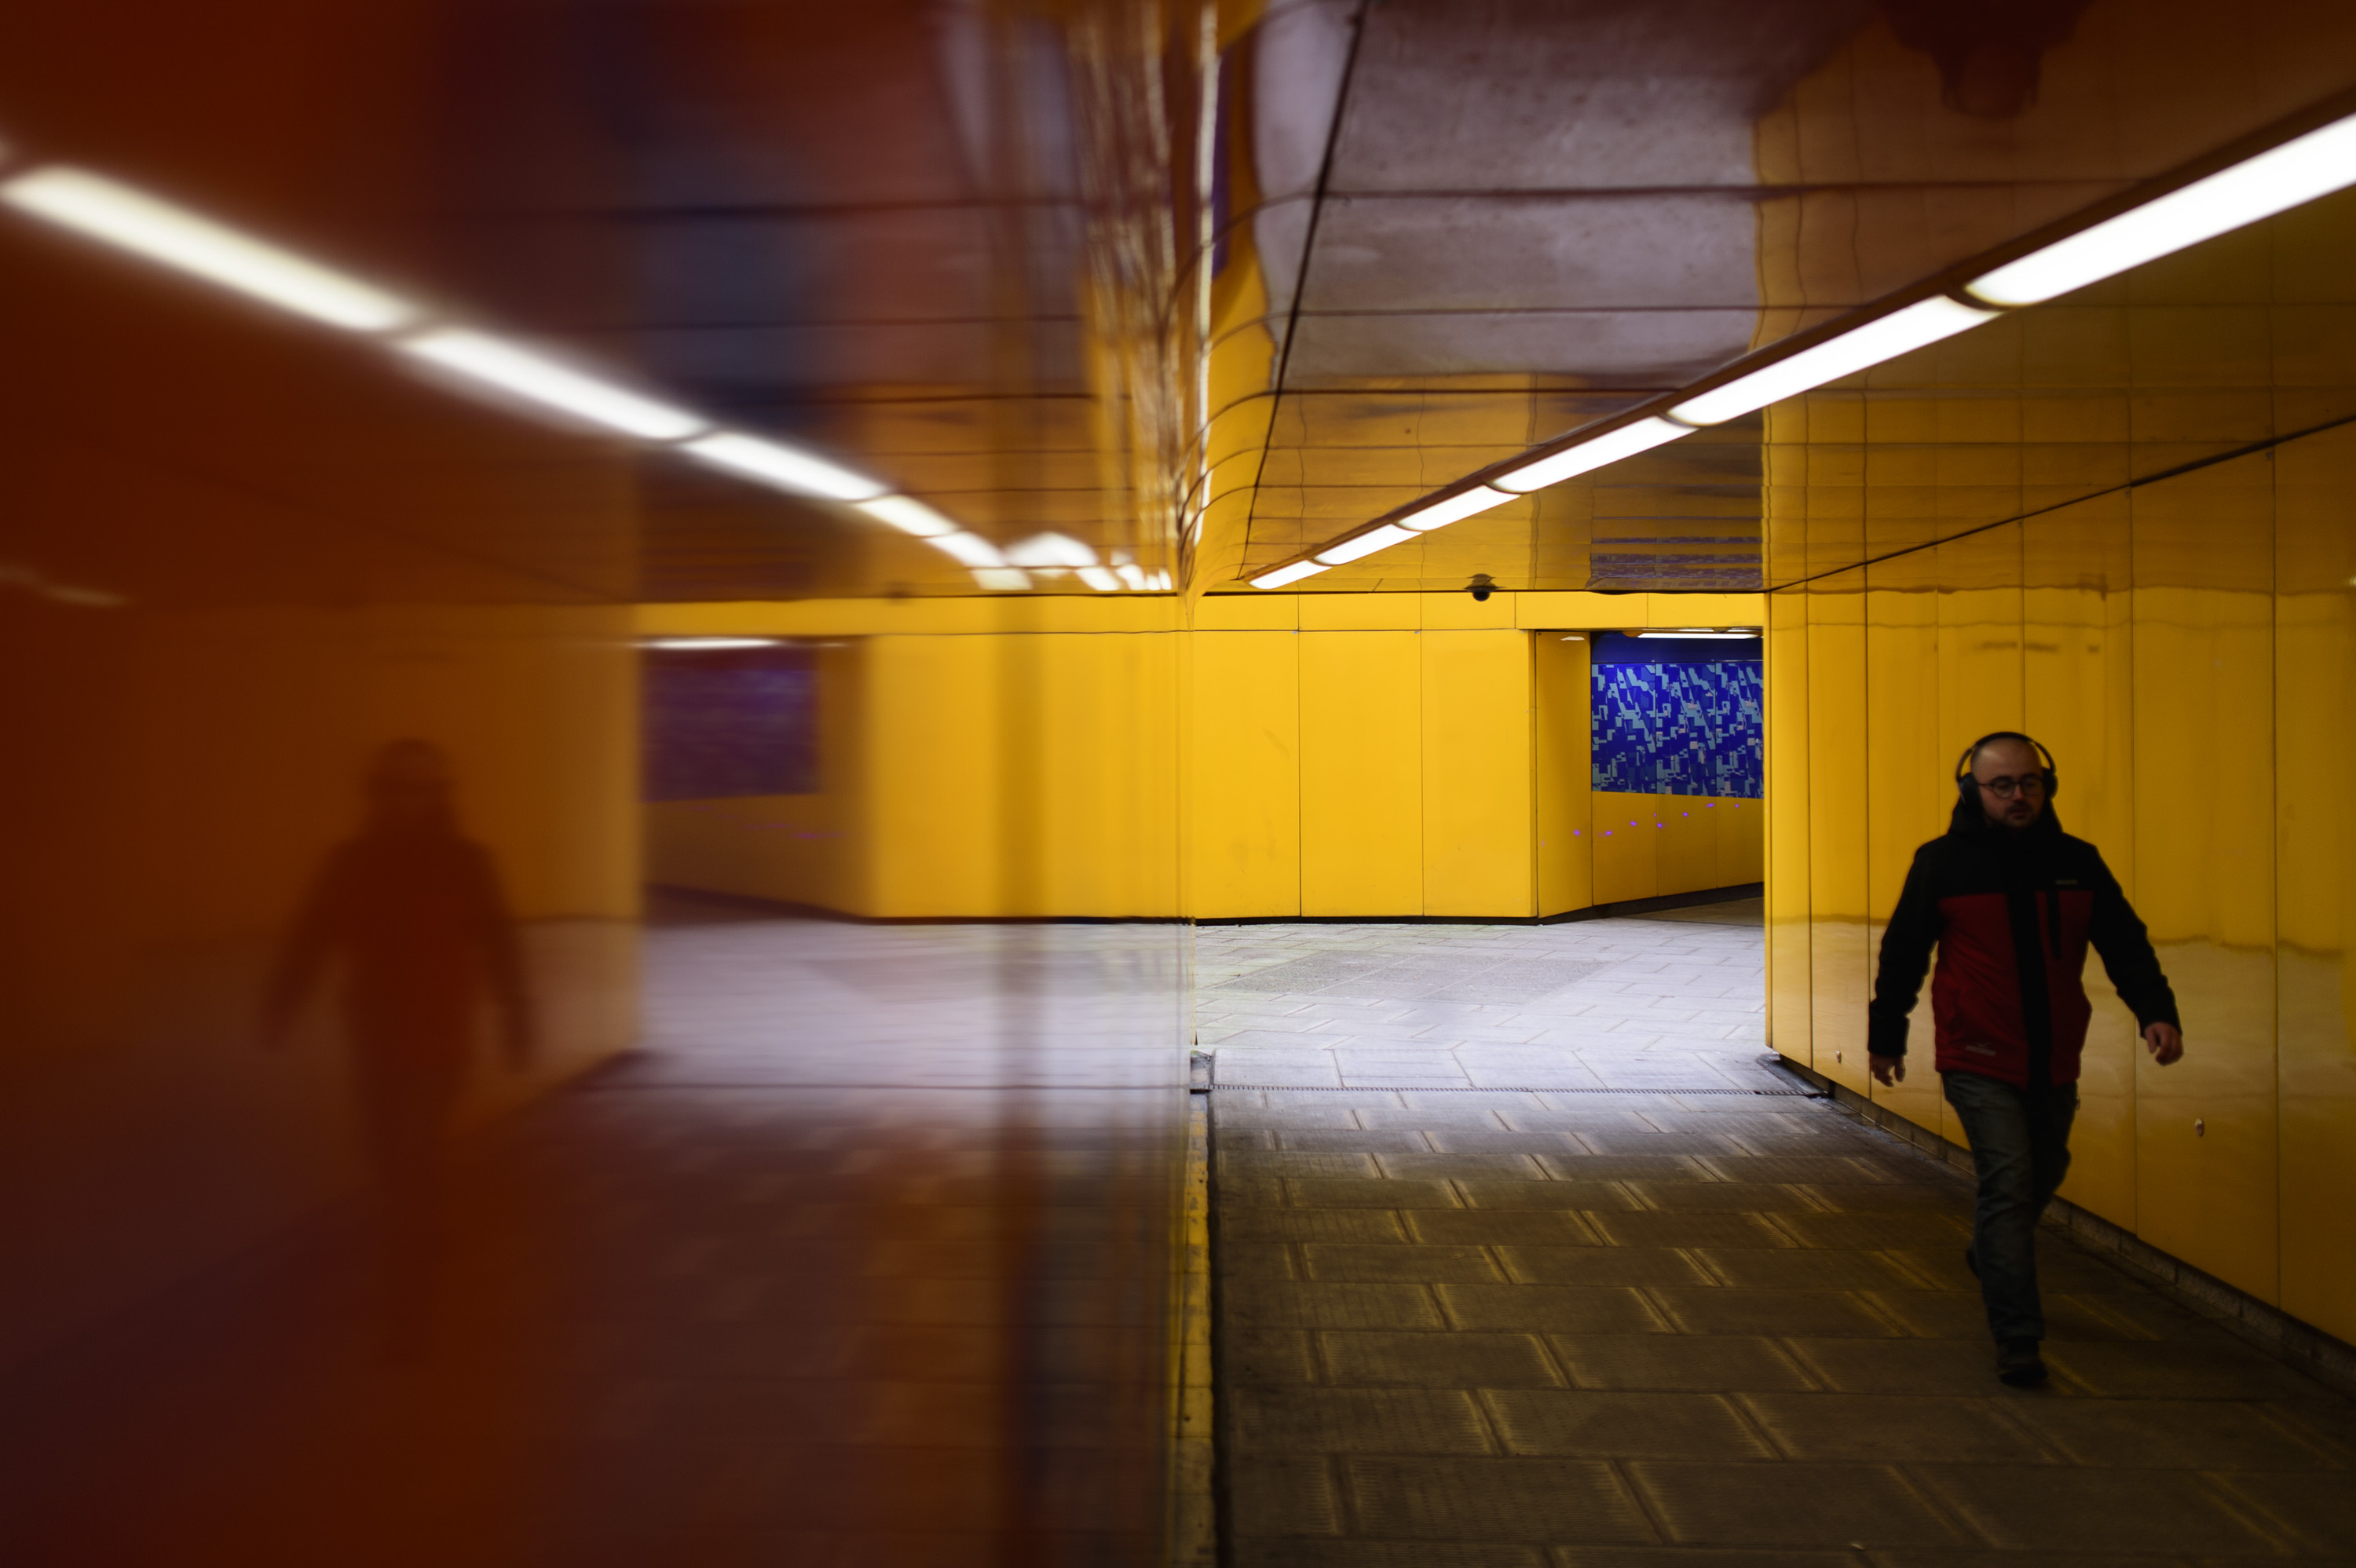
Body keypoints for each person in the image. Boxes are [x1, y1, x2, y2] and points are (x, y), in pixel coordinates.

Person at [1867, 733, 2183, 1387]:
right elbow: (1904, 953)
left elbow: (2124, 942)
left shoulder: (2077, 862)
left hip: (2055, 1054)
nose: (2018, 795)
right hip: (1976, 1052)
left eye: (2029, 783)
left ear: (2048, 787)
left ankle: (1991, 1249)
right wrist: (1887, 1034)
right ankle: (2018, 1335)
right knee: (2009, 1178)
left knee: (2046, 1167)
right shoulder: (1943, 864)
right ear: (1972, 791)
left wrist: (2157, 1010)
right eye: (2002, 785)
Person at [262, 740, 534, 1353]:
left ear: (439, 796)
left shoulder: (467, 863)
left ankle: (408, 1303)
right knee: (391, 1159)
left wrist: (518, 1014)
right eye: (394, 789)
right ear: (377, 794)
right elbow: (312, 933)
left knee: (410, 1165)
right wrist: (282, 999)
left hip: (439, 1047)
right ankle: (422, 1243)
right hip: (374, 1042)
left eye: (419, 790)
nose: (406, 801)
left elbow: (500, 942)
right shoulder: (350, 862)